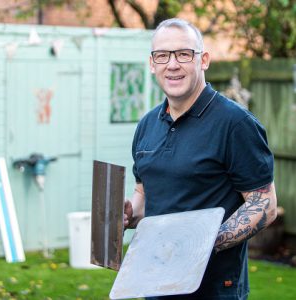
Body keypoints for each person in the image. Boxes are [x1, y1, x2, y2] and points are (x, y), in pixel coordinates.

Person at [123, 18, 277, 300]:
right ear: (152, 63)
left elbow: (263, 206)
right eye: (163, 55)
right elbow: (145, 197)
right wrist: (128, 213)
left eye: (184, 54)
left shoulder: (235, 123)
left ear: (203, 60)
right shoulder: (147, 125)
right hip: (155, 284)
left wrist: (202, 243)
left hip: (214, 290)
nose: (172, 64)